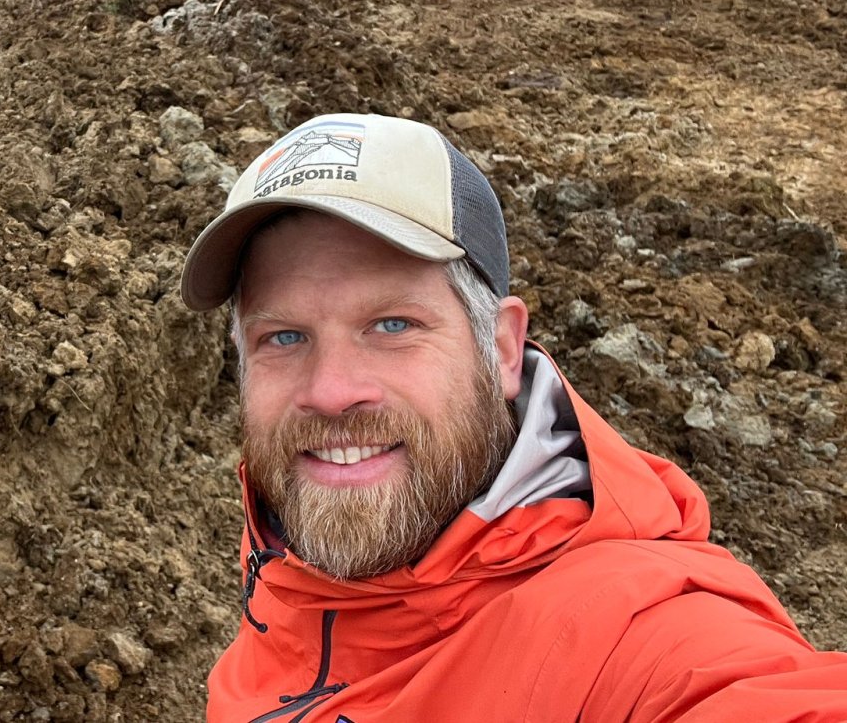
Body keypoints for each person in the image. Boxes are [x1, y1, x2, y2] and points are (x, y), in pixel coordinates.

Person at [180, 113, 847, 721]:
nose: (330, 391)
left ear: (500, 348)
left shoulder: (637, 640)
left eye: (391, 324)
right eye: (284, 337)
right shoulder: (285, 579)